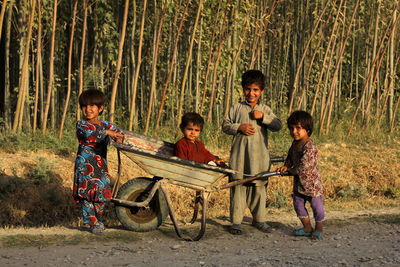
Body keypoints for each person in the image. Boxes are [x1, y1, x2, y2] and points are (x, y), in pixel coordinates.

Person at [222, 69, 282, 235]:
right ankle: (235, 222)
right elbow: (225, 125)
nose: (251, 93)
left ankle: (260, 220)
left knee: (259, 189)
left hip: (260, 158)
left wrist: (263, 117)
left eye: (255, 90)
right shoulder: (237, 108)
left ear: (261, 91)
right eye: (248, 89)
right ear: (243, 89)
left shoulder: (265, 109)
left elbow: (278, 125)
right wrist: (238, 127)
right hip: (240, 158)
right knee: (238, 187)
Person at [73, 89, 124, 234]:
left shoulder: (106, 124)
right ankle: (92, 223)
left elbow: (119, 134)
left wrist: (117, 137)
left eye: (92, 106)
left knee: (101, 195)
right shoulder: (82, 125)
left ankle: (98, 219)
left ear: (100, 108)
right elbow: (91, 134)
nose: (88, 109)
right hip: (84, 166)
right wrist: (107, 133)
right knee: (86, 196)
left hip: (100, 166)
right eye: (84, 106)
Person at [276, 110, 324, 240]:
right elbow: (290, 158)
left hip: (311, 185)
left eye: (298, 128)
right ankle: (307, 227)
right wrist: (286, 166)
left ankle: (319, 227)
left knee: (317, 207)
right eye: (291, 128)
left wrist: (291, 170)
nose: (294, 131)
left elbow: (305, 166)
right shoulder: (294, 144)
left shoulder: (310, 146)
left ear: (307, 129)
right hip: (299, 184)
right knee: (298, 205)